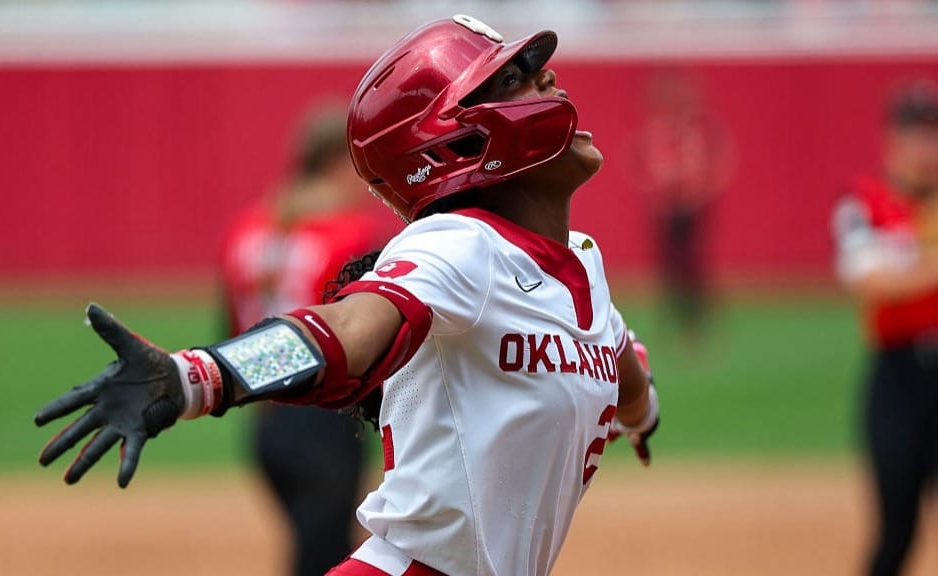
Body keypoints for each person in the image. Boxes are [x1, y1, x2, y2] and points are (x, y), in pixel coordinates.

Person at [35, 14, 661, 576]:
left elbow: (618, 361)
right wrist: (200, 375)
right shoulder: (460, 244)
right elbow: (347, 331)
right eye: (515, 79)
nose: (547, 77)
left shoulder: (581, 264)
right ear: (460, 140)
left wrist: (642, 414)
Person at [219, 107, 392, 576]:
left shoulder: (248, 228)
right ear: (339, 161)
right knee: (326, 559)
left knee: (313, 549)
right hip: (325, 424)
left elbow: (230, 334)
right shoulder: (352, 234)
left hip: (267, 426)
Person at [831, 78, 938, 576]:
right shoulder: (864, 203)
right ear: (893, 139)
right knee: (898, 529)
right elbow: (868, 279)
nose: (928, 147)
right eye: (918, 133)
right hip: (898, 377)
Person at [630, 68, 731, 344]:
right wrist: (655, 195)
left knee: (692, 266)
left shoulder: (696, 130)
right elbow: (642, 167)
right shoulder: (659, 131)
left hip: (690, 208)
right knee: (669, 267)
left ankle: (697, 322)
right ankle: (674, 321)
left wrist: (700, 193)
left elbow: (718, 164)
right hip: (668, 209)